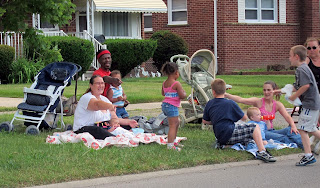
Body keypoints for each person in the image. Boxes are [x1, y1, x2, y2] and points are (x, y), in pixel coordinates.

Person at [202, 78, 276, 162]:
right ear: (225, 90)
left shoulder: (210, 103)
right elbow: (244, 118)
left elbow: (205, 121)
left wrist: (216, 120)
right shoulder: (230, 103)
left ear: (213, 91)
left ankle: (225, 146)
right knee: (254, 127)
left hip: (219, 135)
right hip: (229, 133)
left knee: (248, 137)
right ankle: (262, 151)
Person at [225, 81, 302, 148]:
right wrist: (226, 94)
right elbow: (241, 99)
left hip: (272, 130)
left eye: (268, 90)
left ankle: (305, 144)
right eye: (264, 90)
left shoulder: (277, 104)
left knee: (290, 130)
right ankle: (299, 145)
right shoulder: (258, 102)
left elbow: (287, 116)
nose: (266, 92)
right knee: (282, 137)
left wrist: (293, 126)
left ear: (274, 91)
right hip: (262, 132)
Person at [73, 75, 138, 139]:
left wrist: (128, 122)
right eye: (98, 83)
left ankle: (125, 136)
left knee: (128, 126)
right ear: (91, 85)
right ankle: (116, 138)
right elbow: (97, 105)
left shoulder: (104, 99)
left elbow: (114, 118)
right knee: (98, 130)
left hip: (104, 126)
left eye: (102, 83)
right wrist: (110, 106)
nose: (101, 86)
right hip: (85, 128)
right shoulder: (86, 97)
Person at [288, 45, 320, 166]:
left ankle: (308, 155)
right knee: (311, 128)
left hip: (310, 104)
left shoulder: (301, 69)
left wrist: (294, 96)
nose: (289, 58)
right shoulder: (304, 68)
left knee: (302, 128)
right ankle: (308, 155)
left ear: (296, 56)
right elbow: (298, 85)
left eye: (290, 56)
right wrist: (279, 91)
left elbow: (306, 86)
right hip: (313, 103)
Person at [161, 62, 187, 151]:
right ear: (176, 72)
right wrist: (184, 93)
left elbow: (163, 93)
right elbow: (182, 96)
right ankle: (170, 145)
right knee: (173, 125)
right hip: (171, 106)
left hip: (165, 105)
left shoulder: (164, 83)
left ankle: (174, 141)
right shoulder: (176, 83)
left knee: (177, 122)